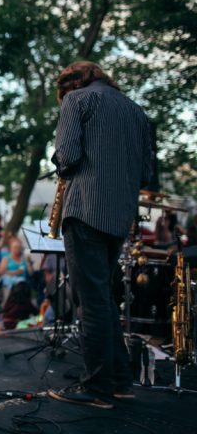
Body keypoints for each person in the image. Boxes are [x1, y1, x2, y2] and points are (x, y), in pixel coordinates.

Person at [47, 61, 152, 409]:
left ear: (70, 85)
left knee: (89, 301)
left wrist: (58, 158)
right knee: (104, 299)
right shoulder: (136, 111)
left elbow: (67, 157)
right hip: (120, 216)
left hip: (86, 210)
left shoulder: (77, 102)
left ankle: (96, 387)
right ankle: (119, 380)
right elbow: (148, 173)